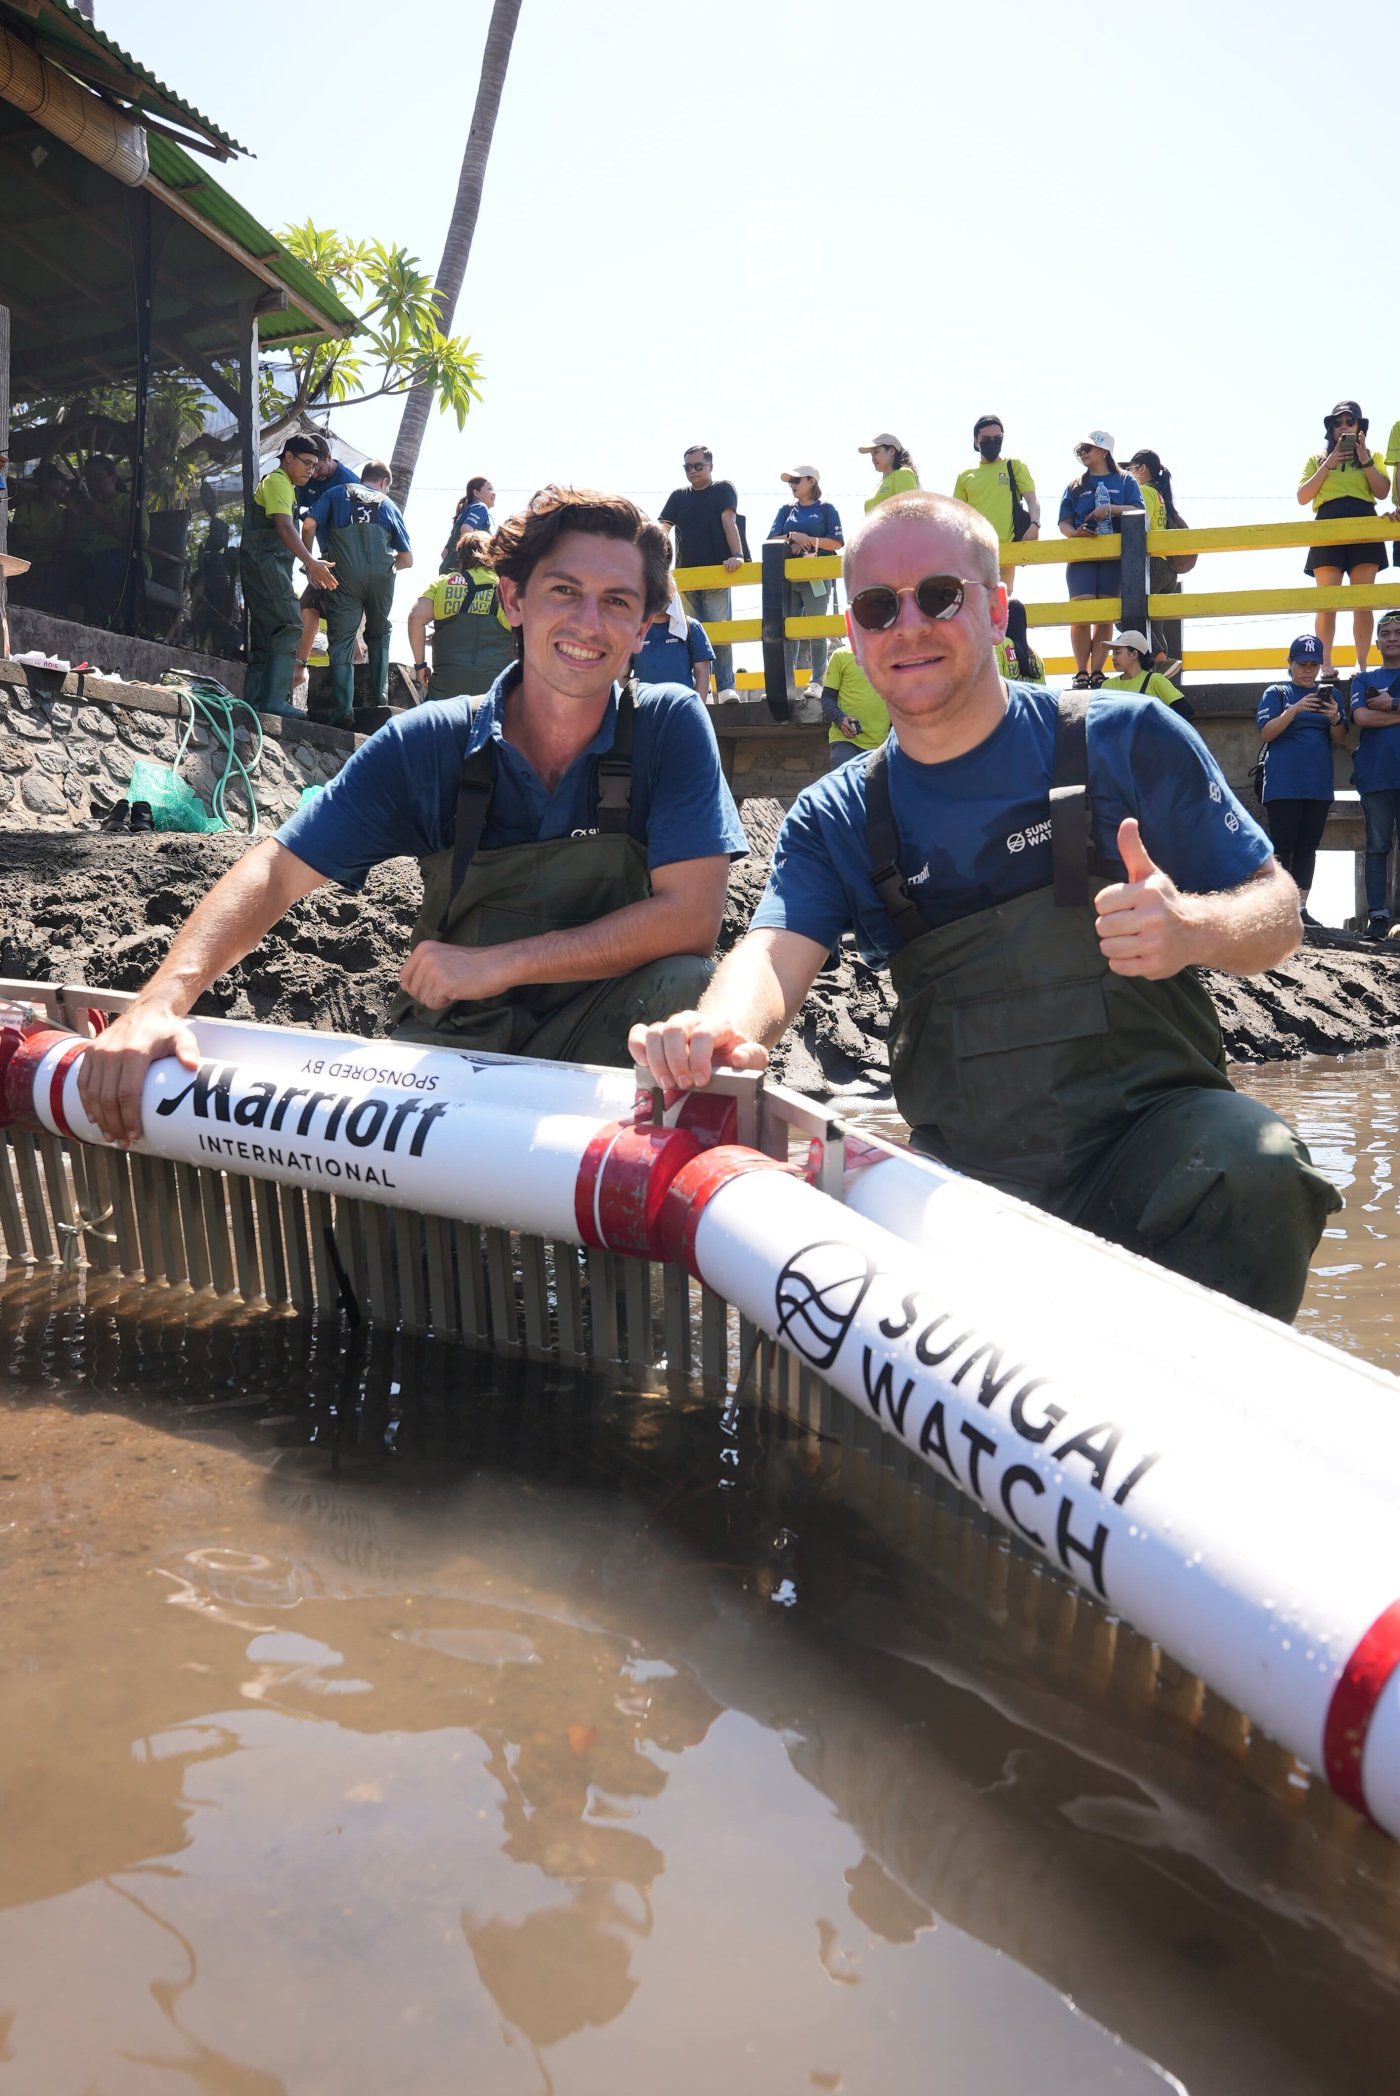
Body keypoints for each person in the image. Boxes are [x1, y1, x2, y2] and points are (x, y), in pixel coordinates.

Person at [631, 490, 1338, 1324]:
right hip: (964, 1173)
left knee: (1258, 1166)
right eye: (877, 606)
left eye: (940, 595)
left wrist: (1192, 928)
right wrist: (718, 1029)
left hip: (1155, 1144)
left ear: (997, 611)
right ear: (854, 635)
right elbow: (773, 953)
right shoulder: (836, 814)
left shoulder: (1131, 736)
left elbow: (1280, 910)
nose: (909, 625)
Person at [76, 486, 748, 1144]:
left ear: (645, 627)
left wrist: (499, 963)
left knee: (687, 983)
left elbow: (692, 918)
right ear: (514, 600)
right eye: (564, 591)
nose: (587, 623)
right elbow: (277, 870)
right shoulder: (429, 742)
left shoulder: (667, 725)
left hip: (603, 1041)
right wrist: (160, 1001)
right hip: (452, 1049)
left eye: (617, 602)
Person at [303, 460, 412, 725]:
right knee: (378, 634)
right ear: (384, 483)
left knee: (341, 640)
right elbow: (407, 559)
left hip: (344, 577)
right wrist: (385, 569)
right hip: (381, 580)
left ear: (364, 477)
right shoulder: (389, 505)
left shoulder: (336, 492)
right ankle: (379, 701)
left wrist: (310, 564)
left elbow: (307, 526)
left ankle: (343, 712)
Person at [240, 436, 337, 719]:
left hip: (264, 566)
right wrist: (310, 562)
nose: (311, 470)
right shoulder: (279, 481)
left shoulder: (286, 486)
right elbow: (283, 526)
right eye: (306, 463)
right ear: (289, 457)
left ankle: (255, 703)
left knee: (265, 636)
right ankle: (275, 703)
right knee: (289, 624)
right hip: (265, 566)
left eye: (315, 466)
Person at [1255, 635, 1345, 925]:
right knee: (1282, 845)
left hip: (1317, 783)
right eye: (1302, 664)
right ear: (1290, 663)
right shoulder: (1277, 692)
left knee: (1308, 846)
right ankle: (1278, 907)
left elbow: (1339, 739)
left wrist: (1334, 718)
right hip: (1283, 783)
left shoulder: (1332, 696)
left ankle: (1301, 909)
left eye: (1314, 665)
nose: (1308, 670)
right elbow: (1267, 733)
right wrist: (1294, 709)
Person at [1297, 401, 1389, 672]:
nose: (1344, 427)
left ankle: (1362, 666)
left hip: (1364, 526)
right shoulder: (1317, 458)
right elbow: (1303, 496)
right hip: (1327, 526)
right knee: (1327, 602)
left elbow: (1382, 491)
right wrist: (1329, 464)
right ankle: (1326, 665)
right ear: (1330, 429)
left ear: (1360, 427)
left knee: (1363, 601)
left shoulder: (1375, 456)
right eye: (1337, 423)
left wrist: (1365, 460)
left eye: (1350, 421)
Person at [1058, 431, 1144, 685]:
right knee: (1082, 613)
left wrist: (1108, 510)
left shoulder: (1126, 480)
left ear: (1104, 452)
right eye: (1080, 450)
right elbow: (1063, 522)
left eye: (1088, 448)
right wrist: (1076, 533)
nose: (1083, 453)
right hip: (1081, 556)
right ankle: (1081, 671)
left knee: (1105, 614)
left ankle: (1097, 670)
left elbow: (1138, 510)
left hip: (1113, 556)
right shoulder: (1075, 486)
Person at [659, 446, 743, 700]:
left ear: (710, 466)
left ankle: (726, 685)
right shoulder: (678, 496)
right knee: (692, 634)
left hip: (718, 571)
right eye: (688, 467)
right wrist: (657, 560)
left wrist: (737, 555)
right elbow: (662, 528)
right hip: (686, 575)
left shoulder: (722, 489)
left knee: (720, 630)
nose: (692, 471)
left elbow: (729, 521)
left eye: (698, 466)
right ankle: (699, 689)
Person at [408, 527, 517, 700]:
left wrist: (421, 666)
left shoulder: (442, 583)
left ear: (462, 556)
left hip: (445, 689)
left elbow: (415, 617)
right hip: (491, 692)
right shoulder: (507, 588)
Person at [1346, 610, 1400, 937]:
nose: (1392, 638)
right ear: (1377, 642)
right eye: (1386, 633)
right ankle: (1378, 917)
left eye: (1398, 632)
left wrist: (1391, 704)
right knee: (1377, 846)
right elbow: (1362, 718)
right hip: (1375, 775)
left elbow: (1377, 711)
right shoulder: (1363, 679)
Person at [767, 466, 844, 685]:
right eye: (790, 481)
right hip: (788, 578)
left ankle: (818, 681)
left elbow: (837, 542)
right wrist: (792, 536)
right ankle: (786, 682)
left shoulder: (827, 509)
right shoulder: (785, 509)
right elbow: (771, 539)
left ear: (812, 481)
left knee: (816, 629)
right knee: (787, 630)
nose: (792, 485)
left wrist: (809, 541)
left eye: (796, 480)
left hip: (817, 576)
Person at [953, 416, 1039, 590]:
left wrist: (1035, 524)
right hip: (974, 553)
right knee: (975, 604)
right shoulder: (965, 476)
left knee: (1000, 604)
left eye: (997, 439)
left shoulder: (1014, 466)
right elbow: (956, 516)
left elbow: (1031, 499)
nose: (992, 443)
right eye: (986, 439)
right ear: (976, 441)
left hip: (1005, 551)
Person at [1125, 448, 1186, 679]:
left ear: (1142, 469)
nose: (1128, 474)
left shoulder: (1143, 491)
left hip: (1151, 563)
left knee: (1125, 611)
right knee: (1155, 618)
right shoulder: (1160, 494)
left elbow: (1139, 522)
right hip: (1167, 567)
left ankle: (1160, 659)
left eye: (1130, 469)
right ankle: (1162, 662)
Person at [630, 587, 715, 699]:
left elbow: (702, 672)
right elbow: (623, 674)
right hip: (644, 710)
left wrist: (696, 708)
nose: (657, 598)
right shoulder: (634, 631)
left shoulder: (691, 627)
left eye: (662, 593)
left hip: (682, 710)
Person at [819, 643, 890, 768]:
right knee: (843, 785)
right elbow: (827, 698)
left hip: (880, 745)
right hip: (846, 742)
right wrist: (840, 719)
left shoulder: (892, 659)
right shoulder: (841, 655)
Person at [1099, 630, 1192, 718]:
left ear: (1134, 654)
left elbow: (1185, 710)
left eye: (1117, 653)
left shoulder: (1155, 680)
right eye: (1113, 654)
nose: (1113, 658)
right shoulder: (1107, 685)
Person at [441, 476, 496, 570]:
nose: (494, 493)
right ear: (476, 493)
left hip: (447, 572)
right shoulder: (480, 507)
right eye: (490, 489)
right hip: (466, 572)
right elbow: (466, 530)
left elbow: (444, 554)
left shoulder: (463, 514)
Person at [858, 433, 919, 511]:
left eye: (876, 452)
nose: (873, 458)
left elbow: (910, 513)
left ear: (891, 451)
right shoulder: (882, 483)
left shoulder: (903, 474)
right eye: (872, 454)